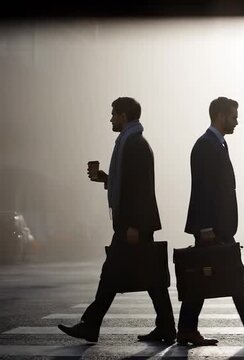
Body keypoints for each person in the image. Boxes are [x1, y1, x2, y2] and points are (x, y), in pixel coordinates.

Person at [58, 97, 176, 344]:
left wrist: (133, 224)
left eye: (113, 114)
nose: (111, 119)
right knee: (151, 277)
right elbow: (129, 184)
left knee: (112, 274)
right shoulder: (130, 143)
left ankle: (91, 325)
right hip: (135, 222)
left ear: (123, 115)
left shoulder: (135, 145)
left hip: (134, 224)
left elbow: (140, 189)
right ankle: (165, 326)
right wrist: (106, 179)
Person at [177, 97, 244, 346]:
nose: (237, 121)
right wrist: (205, 227)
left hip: (219, 226)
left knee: (231, 275)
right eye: (233, 116)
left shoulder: (218, 144)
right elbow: (203, 188)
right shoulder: (206, 145)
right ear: (220, 115)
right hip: (211, 227)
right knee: (206, 277)